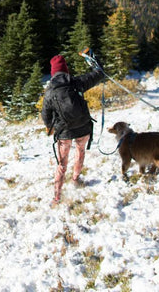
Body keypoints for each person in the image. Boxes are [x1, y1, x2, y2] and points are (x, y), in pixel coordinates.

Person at [42, 54, 104, 207]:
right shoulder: (76, 83)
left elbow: (46, 116)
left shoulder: (50, 92)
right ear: (66, 70)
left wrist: (52, 127)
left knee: (62, 164)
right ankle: (75, 179)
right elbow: (99, 74)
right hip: (83, 127)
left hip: (64, 132)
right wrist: (95, 61)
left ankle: (57, 197)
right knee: (80, 151)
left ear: (53, 73)